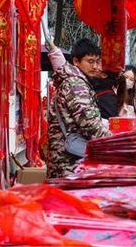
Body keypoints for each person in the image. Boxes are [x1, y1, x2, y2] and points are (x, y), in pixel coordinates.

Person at [45, 36, 111, 178]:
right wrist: (117, 143)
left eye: (97, 62)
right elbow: (90, 124)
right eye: (90, 61)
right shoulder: (75, 84)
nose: (95, 66)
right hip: (69, 164)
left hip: (65, 160)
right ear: (76, 61)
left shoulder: (73, 80)